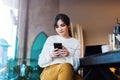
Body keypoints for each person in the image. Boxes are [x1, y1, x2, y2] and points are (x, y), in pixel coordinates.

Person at [38, 13, 83, 80]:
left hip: (69, 71)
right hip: (50, 71)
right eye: (57, 26)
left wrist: (68, 55)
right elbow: (40, 62)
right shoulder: (51, 39)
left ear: (68, 26)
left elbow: (76, 66)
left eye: (62, 25)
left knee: (76, 76)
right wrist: (51, 55)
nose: (60, 29)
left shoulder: (76, 42)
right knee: (66, 67)